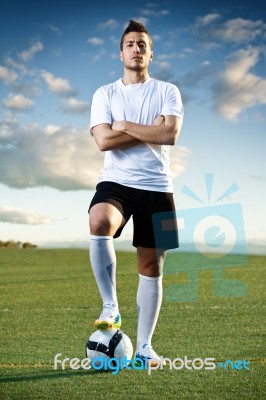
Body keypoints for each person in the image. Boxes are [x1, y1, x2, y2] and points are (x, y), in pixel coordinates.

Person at [88, 20, 184, 365]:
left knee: (151, 267)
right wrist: (149, 130)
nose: (136, 48)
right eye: (130, 43)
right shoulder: (105, 94)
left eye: (142, 43)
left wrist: (125, 126)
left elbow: (169, 135)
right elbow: (103, 141)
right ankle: (110, 305)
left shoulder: (168, 91)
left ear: (151, 53)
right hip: (116, 182)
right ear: (121, 53)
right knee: (99, 222)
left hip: (158, 186)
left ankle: (144, 347)